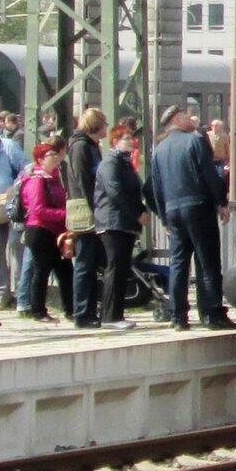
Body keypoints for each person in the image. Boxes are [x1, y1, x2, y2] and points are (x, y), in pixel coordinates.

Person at [151, 104, 236, 330]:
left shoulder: (158, 150)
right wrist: (221, 202)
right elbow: (209, 174)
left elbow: (156, 188)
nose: (190, 119)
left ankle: (178, 316)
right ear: (177, 120)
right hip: (198, 206)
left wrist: (164, 218)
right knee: (207, 261)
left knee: (178, 263)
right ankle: (212, 314)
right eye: (185, 116)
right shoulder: (195, 141)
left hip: (173, 210)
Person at [93, 124, 149, 330]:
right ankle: (110, 316)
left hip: (125, 223)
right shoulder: (110, 163)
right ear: (115, 142)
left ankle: (117, 313)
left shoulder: (125, 164)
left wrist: (142, 209)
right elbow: (115, 192)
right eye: (126, 139)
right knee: (115, 268)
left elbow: (135, 190)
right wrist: (136, 213)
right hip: (113, 222)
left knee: (122, 268)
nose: (131, 142)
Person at [22, 141, 71, 322]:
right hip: (40, 230)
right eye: (51, 154)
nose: (56, 156)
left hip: (56, 230)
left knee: (65, 269)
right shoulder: (37, 180)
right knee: (41, 270)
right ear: (41, 159)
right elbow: (38, 210)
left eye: (56, 153)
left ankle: (71, 309)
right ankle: (38, 311)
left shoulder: (55, 177)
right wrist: (65, 214)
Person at [68, 107, 107, 328]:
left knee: (92, 262)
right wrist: (97, 209)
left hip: (92, 208)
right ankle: (81, 312)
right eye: (104, 123)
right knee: (85, 262)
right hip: (85, 211)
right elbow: (84, 181)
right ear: (96, 125)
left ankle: (90, 308)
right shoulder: (82, 147)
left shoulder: (91, 146)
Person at [0, 131, 24, 309]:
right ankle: (1, 293)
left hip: (13, 204)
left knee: (15, 246)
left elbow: (26, 168)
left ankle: (21, 293)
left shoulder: (8, 147)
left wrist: (15, 186)